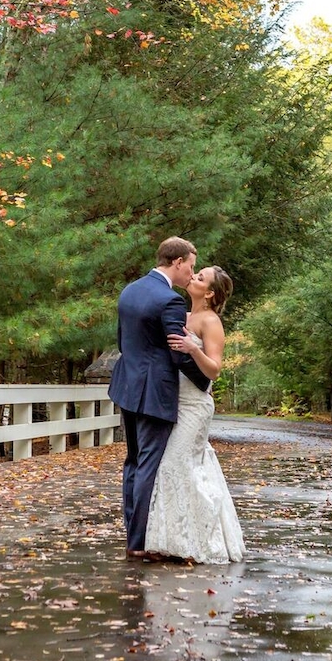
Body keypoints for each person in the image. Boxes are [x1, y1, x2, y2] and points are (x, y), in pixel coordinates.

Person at [108, 237, 211, 560]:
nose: (190, 274)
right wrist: (204, 381)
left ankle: (132, 532)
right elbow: (178, 354)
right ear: (177, 261)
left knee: (134, 462)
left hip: (127, 386)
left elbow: (124, 341)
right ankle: (138, 543)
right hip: (155, 392)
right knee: (150, 465)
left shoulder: (130, 290)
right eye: (190, 267)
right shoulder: (170, 301)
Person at [144, 265, 245, 564]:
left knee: (176, 463)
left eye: (201, 278)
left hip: (195, 405)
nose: (194, 277)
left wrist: (192, 348)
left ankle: (195, 542)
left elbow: (214, 369)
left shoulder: (211, 321)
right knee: (181, 465)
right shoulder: (183, 315)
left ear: (210, 292)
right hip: (171, 401)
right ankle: (172, 539)